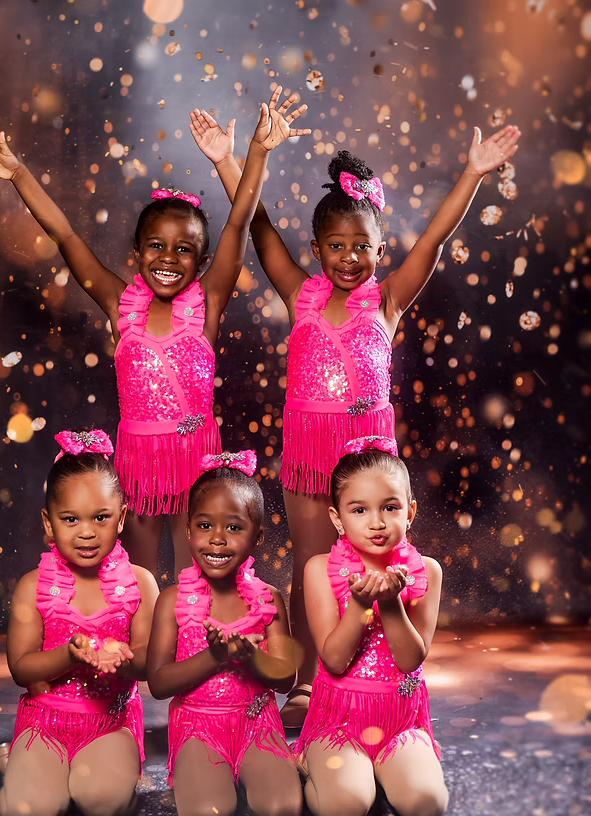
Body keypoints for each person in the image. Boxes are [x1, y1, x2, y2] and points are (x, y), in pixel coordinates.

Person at [190, 92, 520, 722]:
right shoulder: (300, 293)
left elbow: (435, 236)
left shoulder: (388, 300)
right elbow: (259, 231)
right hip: (309, 454)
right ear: (317, 250)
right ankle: (306, 682)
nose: (349, 258)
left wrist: (473, 173)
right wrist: (228, 162)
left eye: (361, 246)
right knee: (313, 566)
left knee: (373, 562)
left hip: (368, 460)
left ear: (379, 249)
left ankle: (374, 675)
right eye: (336, 246)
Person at [0, 92, 309, 582]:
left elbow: (239, 220)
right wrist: (19, 174)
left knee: (196, 582)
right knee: (137, 581)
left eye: (184, 249)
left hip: (196, 461)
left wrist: (255, 152)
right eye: (156, 246)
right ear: (137, 251)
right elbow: (66, 237)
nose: (168, 258)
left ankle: (194, 633)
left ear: (203, 262)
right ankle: (142, 635)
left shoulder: (207, 302)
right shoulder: (118, 304)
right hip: (137, 465)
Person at [0, 429, 158, 816]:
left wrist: (122, 656)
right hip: (45, 721)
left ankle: (108, 780)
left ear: (121, 518)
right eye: (70, 519)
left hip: (109, 722)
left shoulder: (139, 583)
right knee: (32, 807)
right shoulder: (33, 585)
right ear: (48, 522)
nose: (86, 532)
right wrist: (68, 656)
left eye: (101, 518)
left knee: (100, 799)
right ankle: (24, 771)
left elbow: (149, 665)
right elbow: (21, 668)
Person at [294, 436, 447, 816]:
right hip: (340, 723)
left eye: (390, 507)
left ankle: (386, 769)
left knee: (426, 803)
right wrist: (360, 606)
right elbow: (334, 661)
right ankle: (317, 766)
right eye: (359, 510)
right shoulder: (319, 569)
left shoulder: (426, 571)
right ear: (337, 518)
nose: (377, 523)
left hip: (400, 721)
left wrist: (390, 602)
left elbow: (410, 660)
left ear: (410, 512)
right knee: (347, 805)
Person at [146, 451, 303, 816]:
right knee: (210, 810)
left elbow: (286, 679)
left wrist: (253, 658)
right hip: (198, 727)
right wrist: (214, 657)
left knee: (282, 807)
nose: (217, 539)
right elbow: (158, 683)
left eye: (233, 528)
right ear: (188, 530)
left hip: (258, 722)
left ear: (257, 536)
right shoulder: (171, 601)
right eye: (204, 526)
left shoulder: (268, 599)